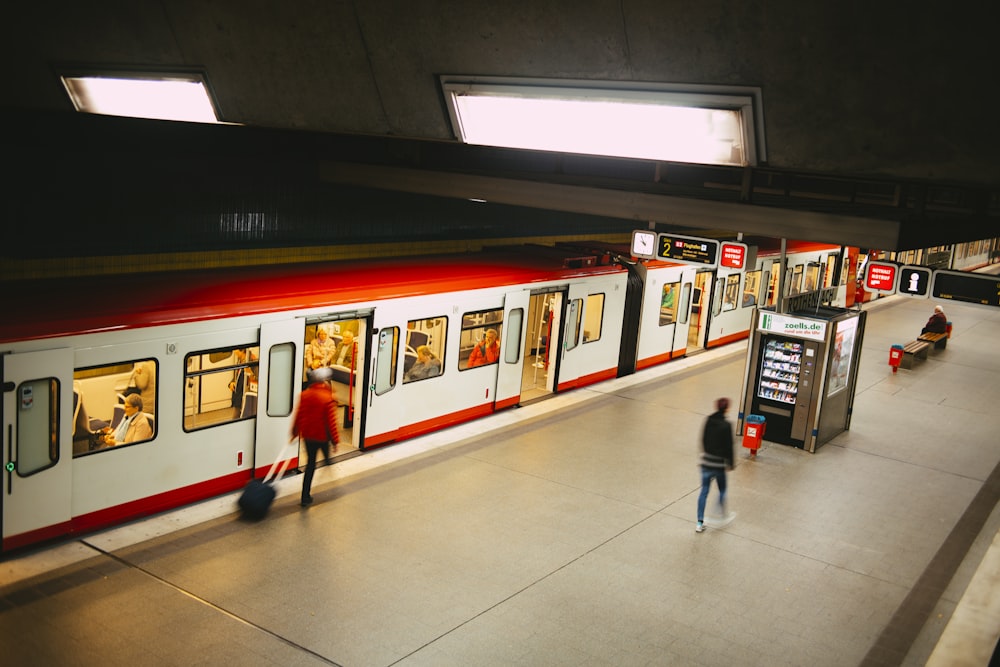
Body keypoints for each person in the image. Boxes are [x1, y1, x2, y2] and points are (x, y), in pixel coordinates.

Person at [291, 367, 340, 507]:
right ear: (324, 381)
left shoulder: (304, 395)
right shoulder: (327, 397)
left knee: (310, 465)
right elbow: (331, 422)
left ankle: (305, 496)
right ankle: (329, 466)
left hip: (308, 437)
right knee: (326, 457)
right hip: (322, 437)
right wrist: (335, 441)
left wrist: (294, 433)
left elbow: (299, 415)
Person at [696, 397, 735, 533]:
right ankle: (721, 514)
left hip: (706, 462)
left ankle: (699, 522)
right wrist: (730, 463)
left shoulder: (708, 420)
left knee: (704, 491)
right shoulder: (727, 425)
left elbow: (703, 439)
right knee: (722, 490)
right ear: (727, 408)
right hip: (718, 464)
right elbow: (729, 447)